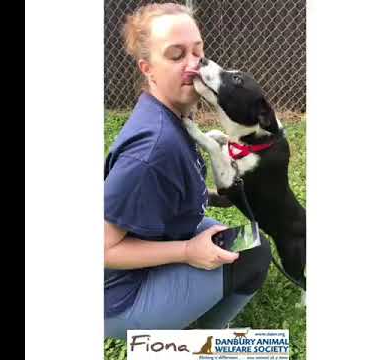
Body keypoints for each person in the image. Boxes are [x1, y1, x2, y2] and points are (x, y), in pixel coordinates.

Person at [104, 3, 272, 339]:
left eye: (198, 51)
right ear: (148, 68)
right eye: (176, 54)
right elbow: (102, 249)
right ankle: (203, 342)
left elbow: (167, 189)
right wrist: (186, 252)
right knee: (254, 258)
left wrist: (212, 196)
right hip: (118, 300)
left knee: (242, 240)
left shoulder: (172, 115)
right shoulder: (153, 150)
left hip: (157, 240)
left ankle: (193, 305)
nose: (193, 64)